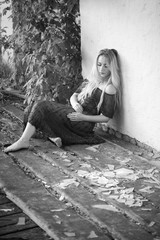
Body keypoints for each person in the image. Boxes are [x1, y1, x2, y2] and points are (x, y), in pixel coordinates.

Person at [4, 48, 121, 153]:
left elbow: (106, 117)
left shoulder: (109, 88)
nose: (101, 69)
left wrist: (83, 117)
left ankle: (24, 140)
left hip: (83, 122)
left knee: (41, 106)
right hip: (73, 112)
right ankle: (51, 136)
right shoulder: (92, 79)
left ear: (112, 67)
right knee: (30, 109)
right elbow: (73, 96)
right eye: (99, 64)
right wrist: (75, 104)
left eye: (106, 65)